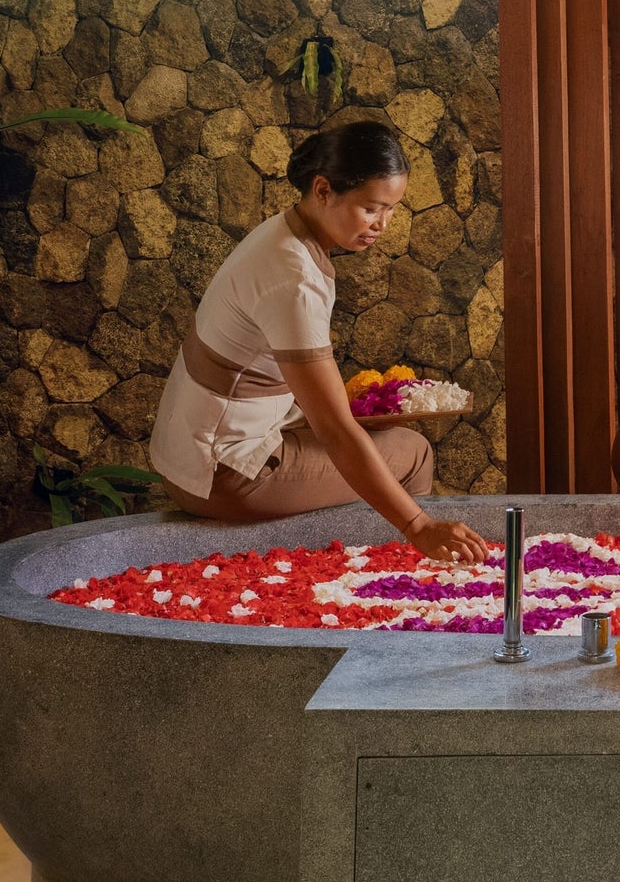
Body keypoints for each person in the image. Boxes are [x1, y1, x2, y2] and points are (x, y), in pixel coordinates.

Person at [147, 119, 489, 565]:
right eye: (371, 208)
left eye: (391, 209)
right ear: (324, 190)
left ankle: (356, 561)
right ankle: (395, 574)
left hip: (192, 456)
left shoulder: (281, 233)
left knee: (378, 434)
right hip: (222, 473)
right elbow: (333, 430)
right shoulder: (293, 277)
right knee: (412, 453)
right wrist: (420, 526)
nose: (382, 224)